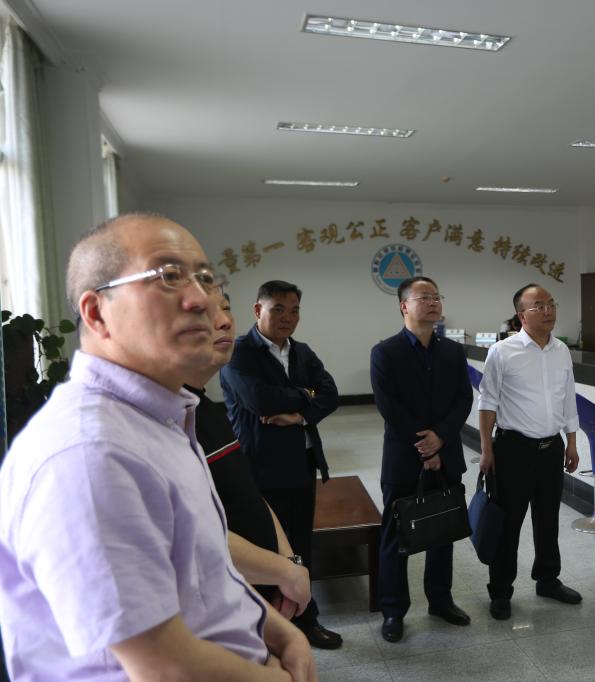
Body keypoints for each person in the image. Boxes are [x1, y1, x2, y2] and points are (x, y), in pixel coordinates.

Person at [0, 213, 314, 680]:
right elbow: (163, 666)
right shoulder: (89, 454)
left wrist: (280, 632)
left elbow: (205, 567)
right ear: (96, 313)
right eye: (168, 276)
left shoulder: (164, 420)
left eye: (205, 278)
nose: (201, 299)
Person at [220, 280, 342, 649]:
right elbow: (260, 400)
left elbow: (330, 393)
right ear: (258, 310)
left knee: (300, 542)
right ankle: (266, 629)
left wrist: (299, 414)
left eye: (294, 311)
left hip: (301, 464)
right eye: (278, 310)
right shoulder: (240, 353)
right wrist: (305, 394)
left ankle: (306, 619)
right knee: (265, 550)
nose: (288, 318)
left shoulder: (302, 352)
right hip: (260, 468)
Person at [184, 293, 311, 620]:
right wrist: (285, 573)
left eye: (226, 309)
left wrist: (290, 563)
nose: (225, 321)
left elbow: (250, 497)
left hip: (260, 598)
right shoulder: (162, 423)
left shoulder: (205, 411)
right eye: (204, 312)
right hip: (221, 608)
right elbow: (189, 535)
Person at [369, 276, 474, 643]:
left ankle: (441, 600)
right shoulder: (385, 352)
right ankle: (393, 610)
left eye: (436, 296)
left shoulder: (453, 352)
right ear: (404, 306)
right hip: (403, 457)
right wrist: (424, 446)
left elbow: (463, 399)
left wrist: (440, 439)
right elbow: (389, 406)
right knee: (395, 535)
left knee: (443, 529)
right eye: (424, 297)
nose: (433, 302)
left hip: (447, 455)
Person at [478, 283, 582, 621]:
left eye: (551, 303)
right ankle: (501, 591)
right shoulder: (502, 351)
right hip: (513, 449)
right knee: (508, 523)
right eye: (539, 305)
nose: (549, 310)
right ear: (522, 315)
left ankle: (548, 580)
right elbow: (487, 403)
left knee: (548, 518)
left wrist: (572, 442)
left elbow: (568, 398)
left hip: (551, 448)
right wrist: (486, 450)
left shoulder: (561, 351)